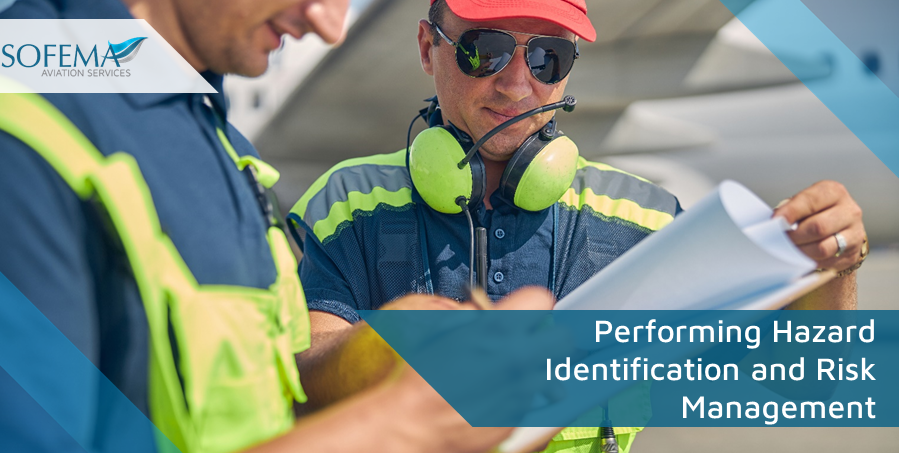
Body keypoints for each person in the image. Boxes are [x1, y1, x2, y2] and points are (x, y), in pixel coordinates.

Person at [0, 0, 567, 452]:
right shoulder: (10, 128)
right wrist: (401, 427)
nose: (330, 23)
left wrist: (374, 356)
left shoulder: (217, 140)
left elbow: (261, 407)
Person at [287, 0, 868, 451]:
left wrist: (833, 271)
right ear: (425, 45)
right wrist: (387, 352)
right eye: (484, 50)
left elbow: (805, 381)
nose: (517, 85)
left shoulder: (645, 220)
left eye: (546, 58)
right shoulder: (343, 203)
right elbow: (298, 373)